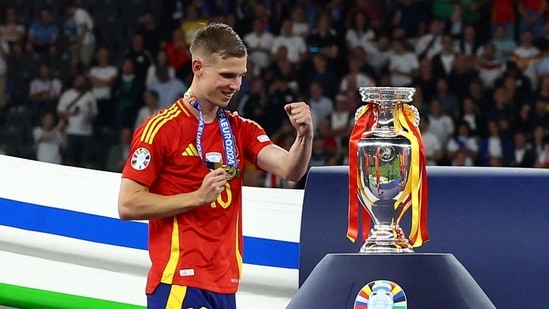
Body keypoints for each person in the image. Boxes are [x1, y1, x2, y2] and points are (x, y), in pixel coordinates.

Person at [117, 23, 313, 308]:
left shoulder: (240, 128)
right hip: (179, 282)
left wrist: (305, 135)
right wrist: (197, 197)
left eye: (241, 76)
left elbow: (291, 169)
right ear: (197, 67)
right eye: (227, 75)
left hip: (224, 284)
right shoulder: (160, 128)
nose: (235, 85)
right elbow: (128, 204)